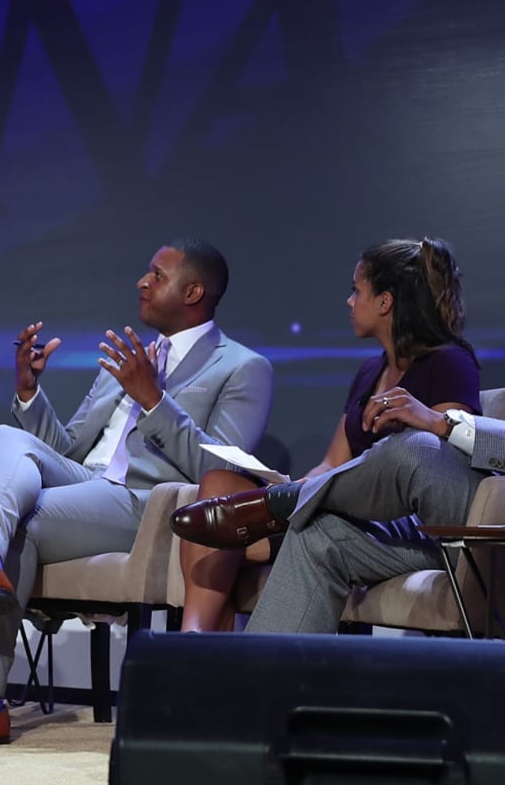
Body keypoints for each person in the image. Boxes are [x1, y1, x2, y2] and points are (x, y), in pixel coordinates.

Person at [171, 181, 505, 635]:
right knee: (324, 535)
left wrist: (445, 423)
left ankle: (278, 506)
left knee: (418, 448)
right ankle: (260, 712)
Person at [0, 238, 275, 746]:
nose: (141, 282)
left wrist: (154, 400)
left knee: (24, 525)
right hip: (88, 486)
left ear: (194, 290)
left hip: (145, 504)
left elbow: (225, 471)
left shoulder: (242, 367)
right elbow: (69, 448)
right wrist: (29, 393)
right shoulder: (130, 358)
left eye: (156, 274)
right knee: (4, 436)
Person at [177, 237, 481, 632]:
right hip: (341, 509)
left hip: (401, 525)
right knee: (219, 486)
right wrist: (300, 487)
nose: (350, 302)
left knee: (223, 535)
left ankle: (211, 662)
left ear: (385, 302)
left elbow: (442, 465)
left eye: (358, 292)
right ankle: (195, 645)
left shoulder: (450, 361)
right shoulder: (369, 373)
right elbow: (332, 463)